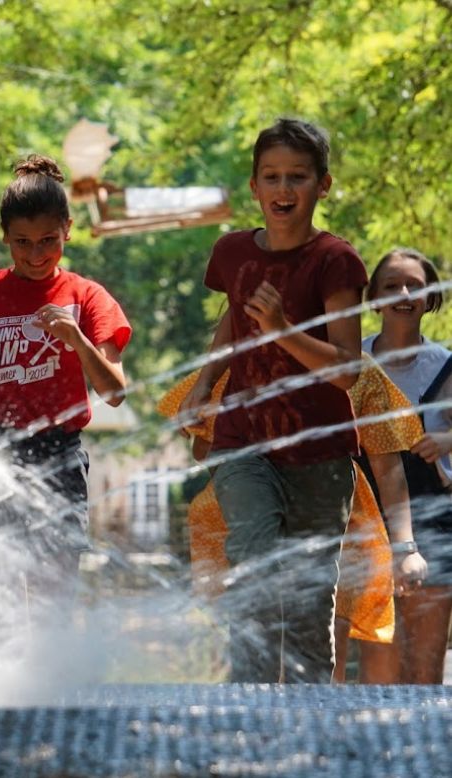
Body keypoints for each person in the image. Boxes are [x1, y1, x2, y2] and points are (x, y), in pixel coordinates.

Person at [178, 118, 369, 682]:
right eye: (272, 177)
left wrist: (283, 329)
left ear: (323, 185)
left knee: (309, 604)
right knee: (256, 563)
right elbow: (233, 327)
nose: (284, 190)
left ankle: (309, 732)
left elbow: (347, 372)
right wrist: (201, 384)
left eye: (298, 177)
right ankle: (249, 710)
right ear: (254, 186)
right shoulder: (233, 252)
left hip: (319, 453)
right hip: (245, 442)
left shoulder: (336, 261)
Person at [0, 154, 131, 603]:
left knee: (53, 590)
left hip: (57, 453)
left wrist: (77, 339)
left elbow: (115, 391)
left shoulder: (87, 297)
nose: (36, 254)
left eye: (48, 241)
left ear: (68, 230)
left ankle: (52, 672)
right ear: (5, 238)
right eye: (22, 242)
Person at [158, 358, 428, 683]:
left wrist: (405, 546)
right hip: (252, 507)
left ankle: (313, 720)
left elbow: (387, 464)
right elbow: (202, 448)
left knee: (324, 624)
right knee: (259, 603)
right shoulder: (233, 366)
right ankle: (255, 710)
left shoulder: (354, 367)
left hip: (338, 514)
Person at [363, 247, 452, 683]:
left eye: (415, 286)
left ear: (431, 297)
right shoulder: (350, 364)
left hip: (434, 522)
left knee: (425, 665)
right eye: (391, 285)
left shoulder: (448, 366)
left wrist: (449, 439)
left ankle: (429, 750)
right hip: (363, 524)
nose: (403, 293)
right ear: (373, 298)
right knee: (377, 666)